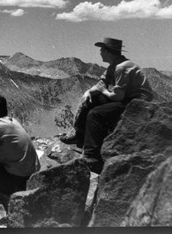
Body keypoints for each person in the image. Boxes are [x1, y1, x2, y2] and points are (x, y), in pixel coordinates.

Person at [60, 37, 153, 173]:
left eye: (102, 50)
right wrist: (88, 92)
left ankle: (92, 157)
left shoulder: (121, 67)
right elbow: (101, 82)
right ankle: (80, 136)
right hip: (127, 98)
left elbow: (118, 96)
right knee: (93, 98)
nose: (100, 53)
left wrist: (103, 91)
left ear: (109, 51)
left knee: (96, 114)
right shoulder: (115, 65)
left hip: (137, 103)